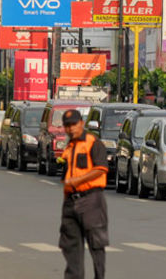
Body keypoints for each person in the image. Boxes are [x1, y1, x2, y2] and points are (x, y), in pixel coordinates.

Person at [58, 109, 109, 279]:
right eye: (67, 126)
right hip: (71, 202)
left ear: (81, 123)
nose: (71, 128)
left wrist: (76, 182)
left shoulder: (93, 142)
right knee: (70, 246)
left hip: (91, 200)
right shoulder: (70, 145)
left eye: (73, 124)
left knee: (96, 245)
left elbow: (101, 169)